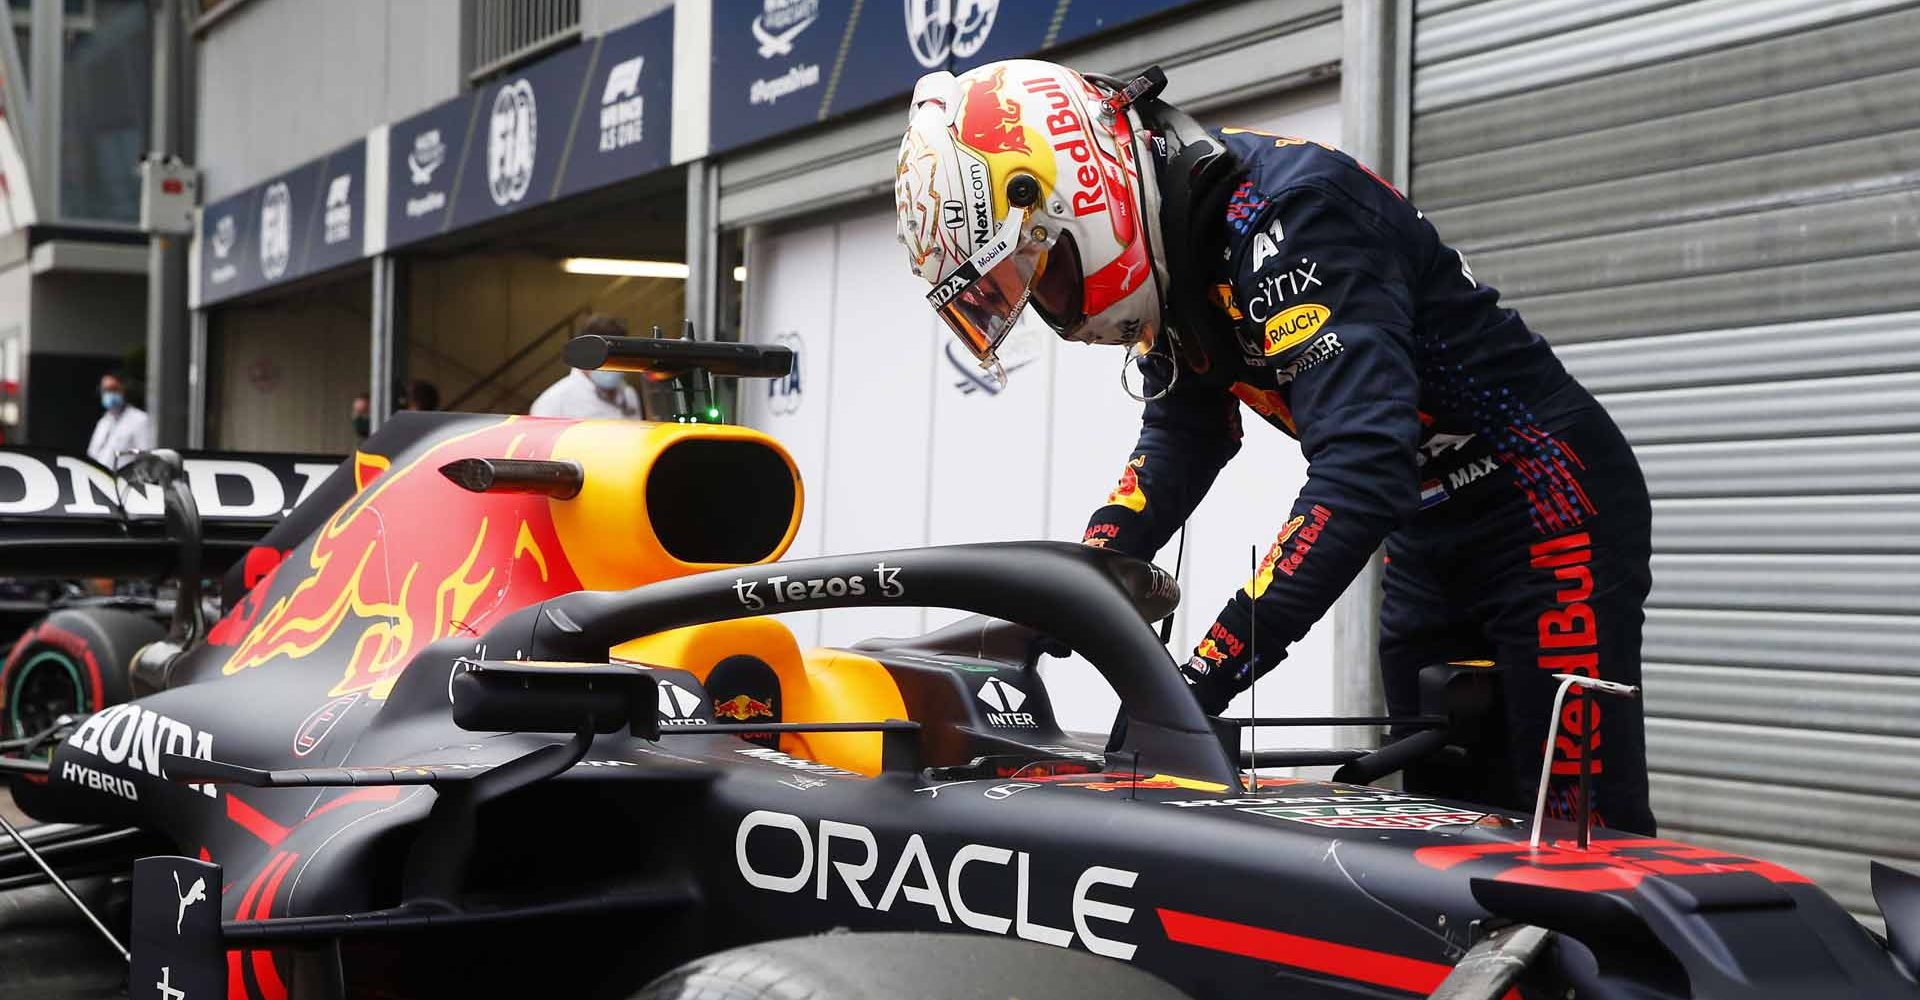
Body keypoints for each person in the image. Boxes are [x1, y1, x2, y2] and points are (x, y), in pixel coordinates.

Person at [892, 60, 1655, 833]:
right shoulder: (1174, 239)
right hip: (1427, 538)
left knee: (1578, 832)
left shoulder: (1286, 214)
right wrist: (1066, 596)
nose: (1049, 306)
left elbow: (1359, 477)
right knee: (1451, 825)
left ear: (1074, 194)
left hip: (1549, 507)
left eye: (1039, 271)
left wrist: (1202, 675)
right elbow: (1186, 437)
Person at [529, 315, 643, 419]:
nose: (609, 364)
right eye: (601, 356)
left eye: (617, 355)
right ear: (583, 354)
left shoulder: (629, 394)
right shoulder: (553, 402)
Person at [87, 372, 153, 468]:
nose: (109, 394)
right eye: (105, 390)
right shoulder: (103, 422)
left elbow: (146, 457)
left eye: (113, 389)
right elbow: (92, 453)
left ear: (124, 390)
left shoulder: (140, 420)